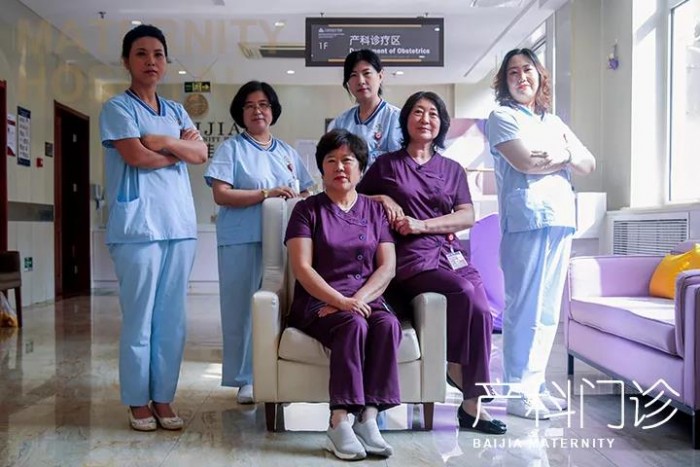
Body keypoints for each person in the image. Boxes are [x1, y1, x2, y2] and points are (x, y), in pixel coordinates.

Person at [358, 91, 507, 435]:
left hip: (447, 253)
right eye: (418, 112)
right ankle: (454, 366)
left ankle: (472, 405)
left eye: (433, 114)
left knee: (483, 310)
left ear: (441, 124)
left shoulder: (452, 169)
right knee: (462, 290)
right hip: (409, 258)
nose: (425, 119)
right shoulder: (387, 165)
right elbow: (355, 197)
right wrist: (381, 197)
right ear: (406, 120)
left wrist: (423, 225)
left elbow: (466, 215)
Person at [99, 24, 208, 431]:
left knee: (172, 320)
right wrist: (178, 150)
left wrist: (163, 142)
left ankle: (163, 397)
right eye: (141, 53)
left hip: (179, 225)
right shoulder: (117, 108)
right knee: (140, 317)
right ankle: (136, 400)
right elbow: (136, 157)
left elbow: (200, 153)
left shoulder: (177, 111)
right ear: (126, 61)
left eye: (158, 54)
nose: (151, 61)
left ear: (166, 62)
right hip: (138, 227)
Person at [486, 48, 596, 419]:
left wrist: (559, 155)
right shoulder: (502, 117)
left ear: (539, 75)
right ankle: (517, 392)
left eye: (527, 70)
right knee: (524, 308)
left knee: (548, 312)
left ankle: (534, 386)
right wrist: (565, 155)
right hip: (526, 219)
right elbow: (525, 162)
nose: (521, 78)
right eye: (513, 72)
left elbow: (588, 163)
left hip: (561, 219)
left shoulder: (553, 121)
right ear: (505, 82)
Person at [285, 129, 400, 460]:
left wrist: (357, 300)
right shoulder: (307, 210)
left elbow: (387, 266)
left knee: (388, 325)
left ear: (361, 168)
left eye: (347, 160)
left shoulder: (375, 211)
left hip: (365, 298)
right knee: (353, 324)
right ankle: (338, 423)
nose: (339, 167)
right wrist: (341, 302)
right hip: (319, 301)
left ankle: (368, 419)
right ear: (321, 168)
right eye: (331, 160)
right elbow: (302, 268)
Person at [204, 81, 314, 404]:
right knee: (242, 310)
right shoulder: (232, 149)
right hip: (242, 238)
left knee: (280, 306)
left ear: (273, 110)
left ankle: (277, 373)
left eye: (263, 104)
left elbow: (306, 190)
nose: (257, 111)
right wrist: (266, 193)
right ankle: (245, 379)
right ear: (241, 112)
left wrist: (298, 198)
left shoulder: (286, 152)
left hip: (281, 241)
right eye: (250, 105)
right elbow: (221, 194)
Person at [328, 49, 402, 167]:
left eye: (366, 73)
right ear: (348, 82)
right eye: (353, 75)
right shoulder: (340, 123)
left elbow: (401, 165)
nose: (361, 81)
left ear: (380, 75)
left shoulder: (396, 118)